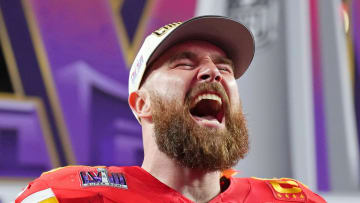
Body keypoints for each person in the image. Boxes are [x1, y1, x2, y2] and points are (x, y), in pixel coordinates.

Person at [15, 15, 326, 203]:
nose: (212, 73)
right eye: (184, 63)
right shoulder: (68, 196)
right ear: (142, 104)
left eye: (224, 68)